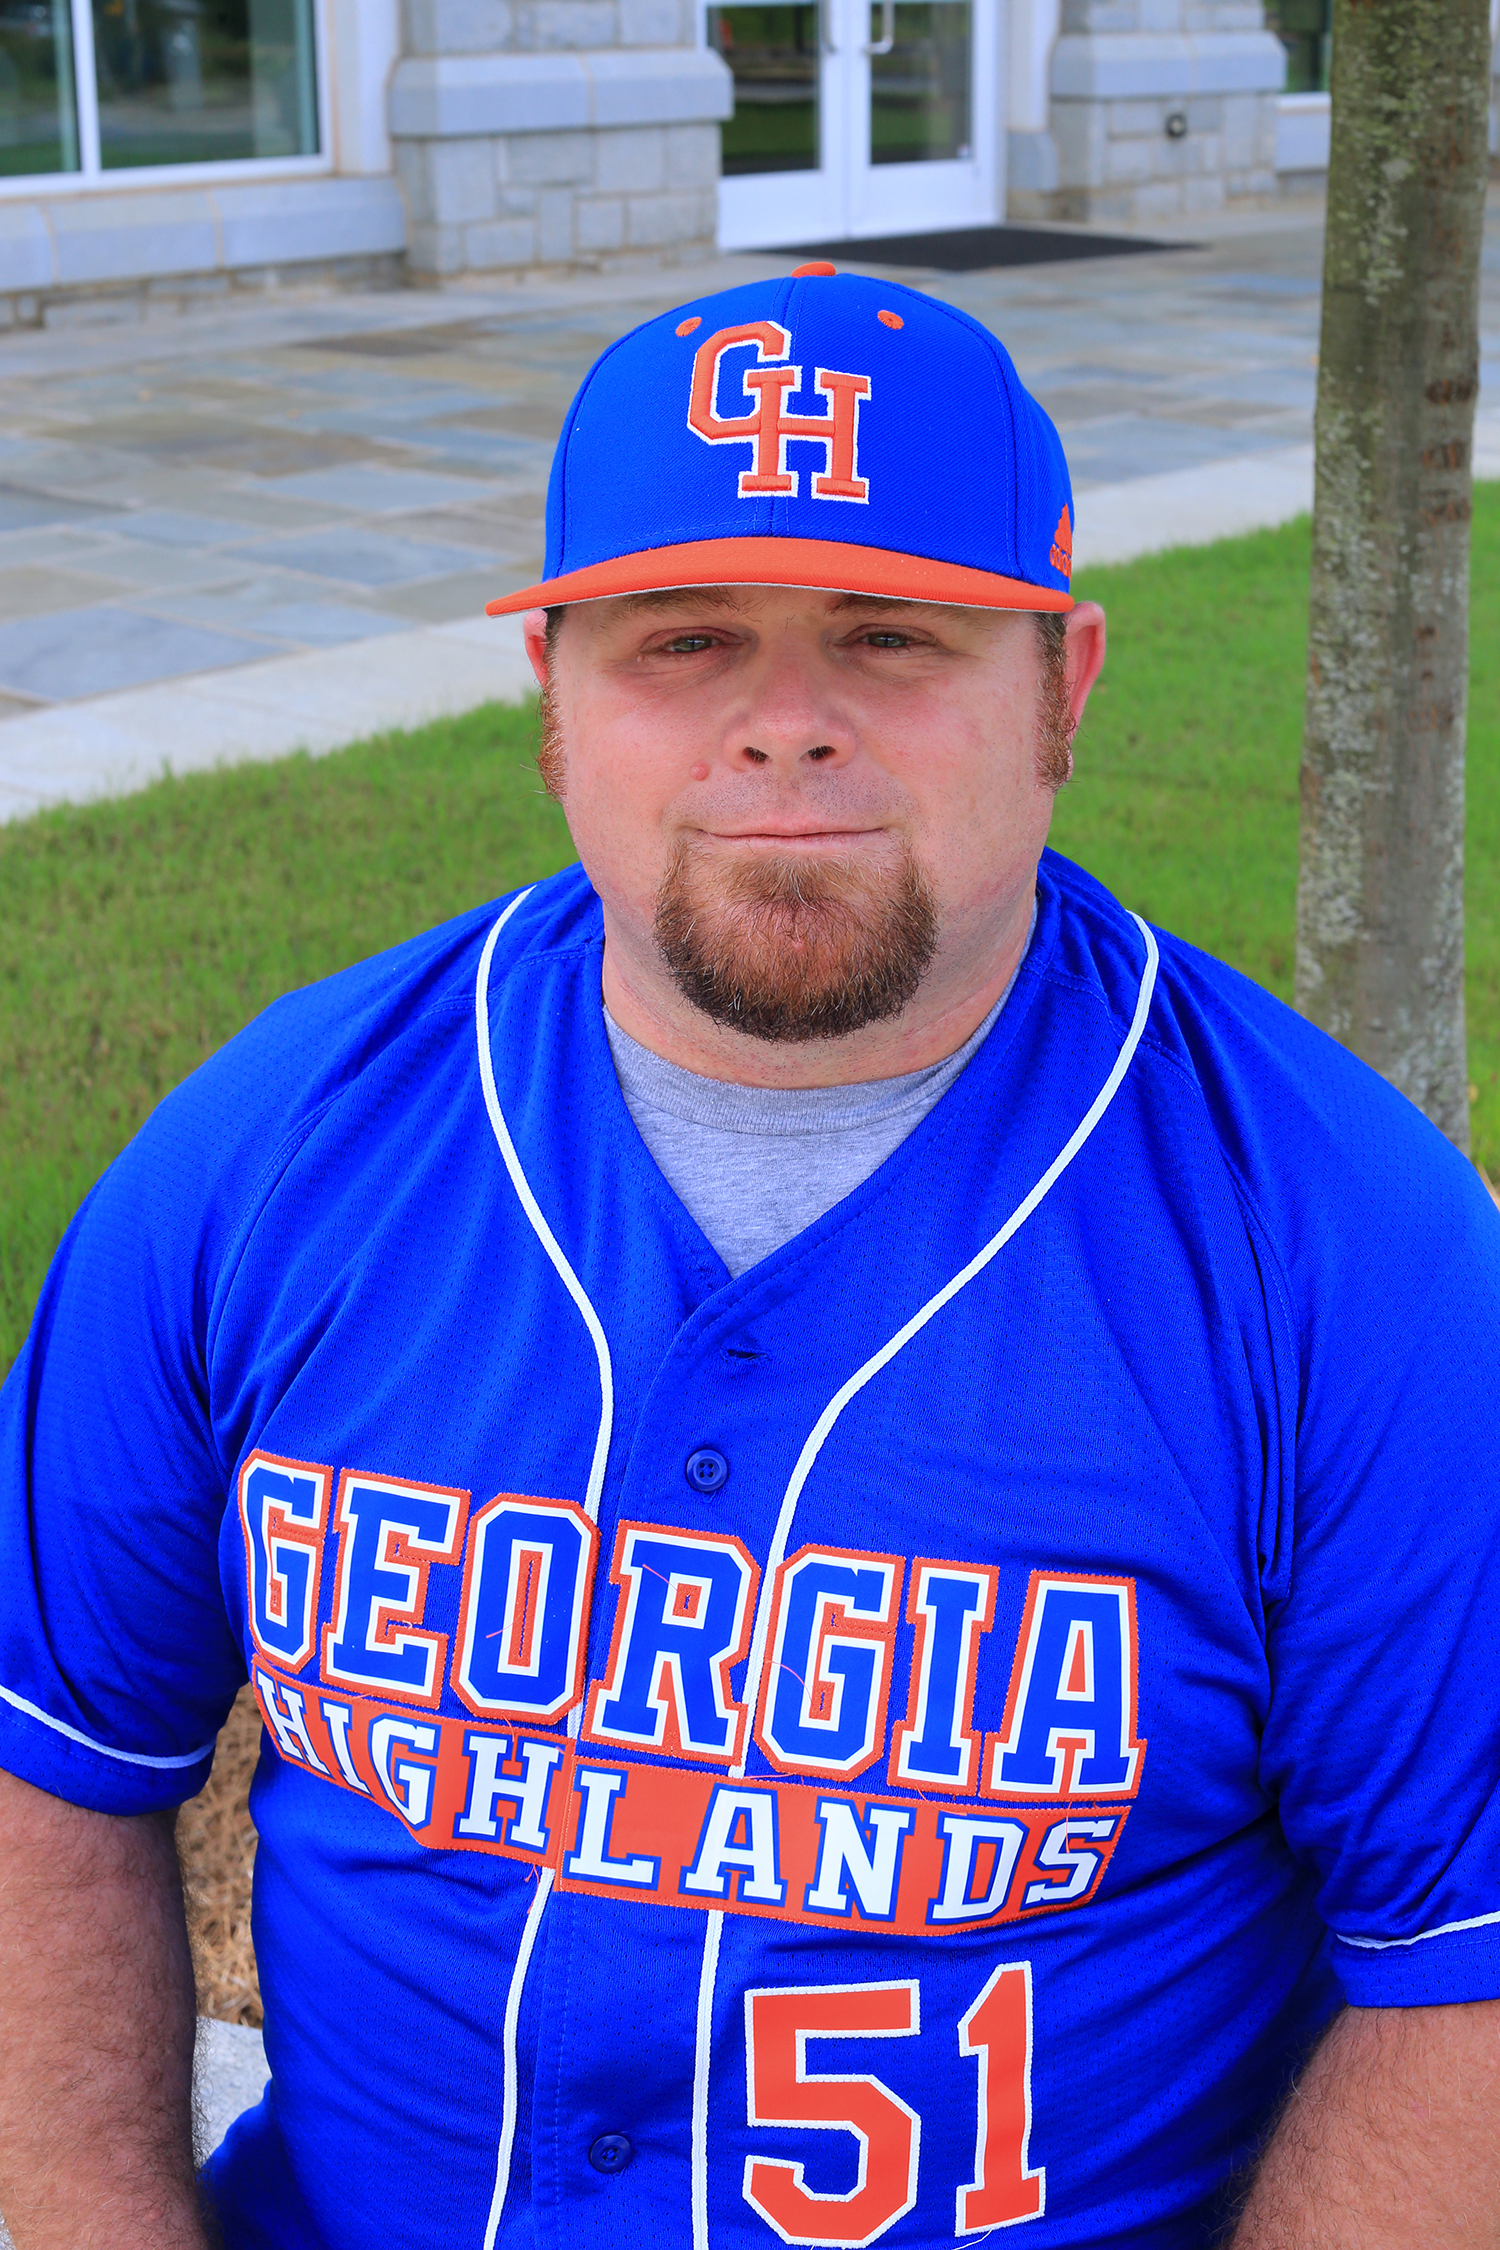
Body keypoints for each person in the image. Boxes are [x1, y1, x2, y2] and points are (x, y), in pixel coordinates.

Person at [1, 264, 1498, 2250]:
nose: (783, 729)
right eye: (684, 640)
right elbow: (51, 1756)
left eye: (890, 636)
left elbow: (1462, 1968)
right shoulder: (273, 1152)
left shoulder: (1351, 1256)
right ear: (549, 698)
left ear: (1063, 687)